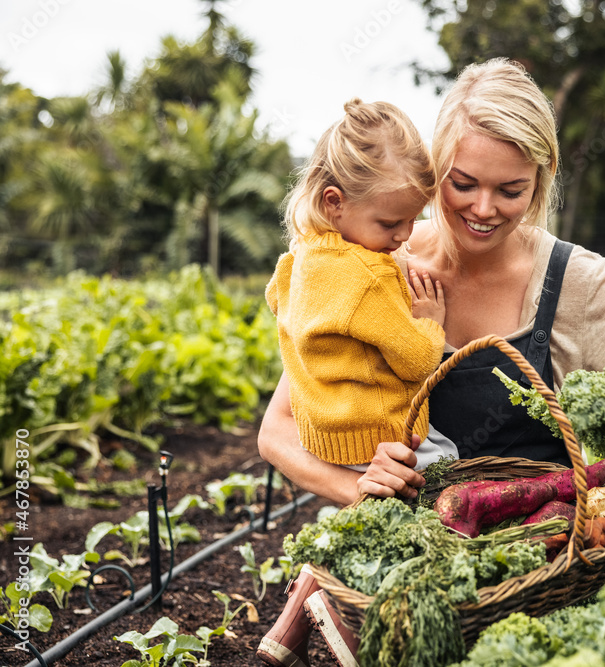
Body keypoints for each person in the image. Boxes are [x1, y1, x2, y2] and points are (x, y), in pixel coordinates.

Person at [257, 59, 605, 667]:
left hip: (531, 576)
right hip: (422, 580)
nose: (483, 208)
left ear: (540, 184)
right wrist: (361, 489)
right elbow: (278, 428)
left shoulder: (575, 282)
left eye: (511, 190)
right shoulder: (380, 257)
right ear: (435, 172)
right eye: (463, 183)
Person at [256, 97, 458, 667]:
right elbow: (417, 362)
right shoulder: (369, 278)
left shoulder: (299, 262)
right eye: (391, 223)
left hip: (330, 434)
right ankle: (351, 637)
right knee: (440, 490)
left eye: (412, 221)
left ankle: (287, 632)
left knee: (366, 519)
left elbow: (285, 316)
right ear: (334, 202)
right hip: (385, 435)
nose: (403, 237)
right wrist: (431, 324)